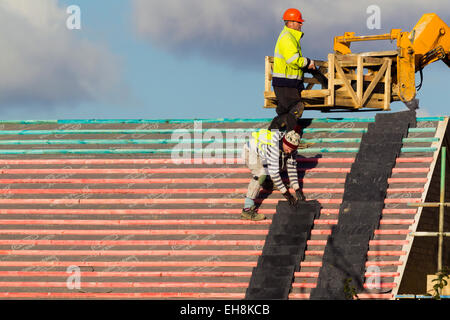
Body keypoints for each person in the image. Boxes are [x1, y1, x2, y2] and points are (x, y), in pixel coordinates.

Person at [241, 129, 306, 221]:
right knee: (260, 175)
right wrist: (286, 194)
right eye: (288, 149)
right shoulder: (273, 148)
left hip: (264, 154)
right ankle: (247, 209)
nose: (289, 152)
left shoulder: (292, 149)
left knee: (283, 162)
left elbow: (291, 168)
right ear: (284, 142)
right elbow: (274, 173)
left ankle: (267, 183)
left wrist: (297, 188)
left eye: (292, 150)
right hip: (251, 152)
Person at [269, 8, 316, 132]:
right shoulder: (287, 38)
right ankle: (290, 137)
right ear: (291, 23)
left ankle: (273, 136)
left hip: (289, 83)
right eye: (299, 22)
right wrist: (307, 62)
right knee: (296, 107)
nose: (301, 24)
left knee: (284, 112)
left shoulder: (290, 37)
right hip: (286, 83)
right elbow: (293, 60)